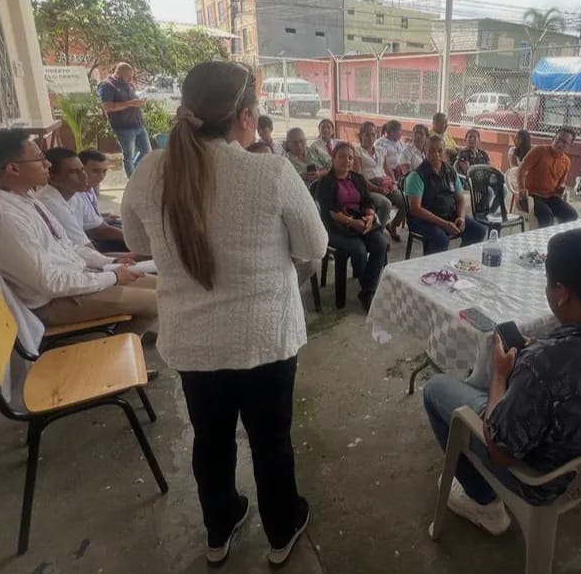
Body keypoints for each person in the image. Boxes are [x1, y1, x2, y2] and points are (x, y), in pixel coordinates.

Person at [121, 61, 327, 567]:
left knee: (210, 442)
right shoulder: (270, 172)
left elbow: (137, 241)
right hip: (265, 340)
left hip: (193, 345)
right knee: (271, 442)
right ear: (245, 117)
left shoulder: (149, 171)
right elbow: (314, 246)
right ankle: (281, 530)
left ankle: (219, 528)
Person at [422, 228, 581, 534]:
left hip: (541, 480)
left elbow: (500, 451)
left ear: (561, 292)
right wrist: (540, 355)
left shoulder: (542, 368)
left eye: (547, 281)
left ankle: (484, 503)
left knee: (435, 388)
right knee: (489, 385)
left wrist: (501, 376)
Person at [0, 129, 157, 331]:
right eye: (39, 159)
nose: (47, 164)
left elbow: (66, 245)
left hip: (75, 278)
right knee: (157, 301)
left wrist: (110, 263)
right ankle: (121, 346)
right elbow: (50, 282)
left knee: (162, 287)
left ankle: (130, 339)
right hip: (52, 302)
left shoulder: (24, 197)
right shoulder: (1, 218)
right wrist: (113, 277)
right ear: (14, 168)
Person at [314, 143, 390, 311]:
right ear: (333, 158)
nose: (347, 161)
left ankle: (367, 290)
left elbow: (366, 202)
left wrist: (370, 216)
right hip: (336, 226)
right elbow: (330, 212)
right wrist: (352, 222)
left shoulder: (358, 178)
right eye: (342, 157)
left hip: (360, 220)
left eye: (350, 157)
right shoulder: (326, 182)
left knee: (381, 244)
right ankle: (368, 288)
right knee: (359, 249)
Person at [404, 135, 487, 254]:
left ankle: (461, 259)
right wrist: (444, 224)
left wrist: (461, 218)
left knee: (478, 230)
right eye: (431, 150)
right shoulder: (416, 176)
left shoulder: (450, 171)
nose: (436, 154)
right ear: (424, 151)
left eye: (440, 150)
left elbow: (460, 199)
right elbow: (415, 209)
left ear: (444, 152)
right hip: (423, 220)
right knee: (440, 238)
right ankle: (434, 266)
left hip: (448, 215)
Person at [38, 148, 128, 253]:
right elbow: (89, 252)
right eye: (73, 172)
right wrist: (133, 256)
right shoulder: (51, 204)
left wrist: (137, 241)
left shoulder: (74, 195)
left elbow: (100, 229)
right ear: (52, 178)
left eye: (82, 170)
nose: (83, 176)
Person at [354, 121, 406, 242]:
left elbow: (387, 170)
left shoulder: (380, 150)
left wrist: (393, 183)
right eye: (367, 134)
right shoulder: (357, 151)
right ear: (361, 135)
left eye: (373, 134)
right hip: (368, 187)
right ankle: (377, 236)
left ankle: (393, 225)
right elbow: (359, 177)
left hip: (385, 185)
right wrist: (377, 189)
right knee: (385, 204)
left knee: (405, 200)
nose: (370, 137)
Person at [98, 62, 150, 177]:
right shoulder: (107, 85)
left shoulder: (128, 84)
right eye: (128, 77)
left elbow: (133, 97)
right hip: (124, 127)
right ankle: (132, 179)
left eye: (131, 77)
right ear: (118, 74)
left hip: (138, 123)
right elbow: (107, 106)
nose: (130, 80)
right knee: (129, 156)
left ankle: (136, 174)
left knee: (147, 151)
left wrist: (139, 101)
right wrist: (130, 103)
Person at [518, 128, 579, 227]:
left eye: (564, 142)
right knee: (546, 215)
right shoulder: (539, 151)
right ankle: (544, 236)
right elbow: (521, 169)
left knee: (572, 215)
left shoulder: (566, 161)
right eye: (558, 139)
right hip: (531, 196)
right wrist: (521, 189)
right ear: (553, 138)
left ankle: (561, 235)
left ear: (570, 145)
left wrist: (561, 190)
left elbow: (560, 184)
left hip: (550, 197)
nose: (559, 144)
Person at [79, 149, 120, 227]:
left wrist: (103, 218)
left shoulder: (91, 188)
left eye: (104, 171)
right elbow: (89, 228)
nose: (101, 177)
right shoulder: (76, 195)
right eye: (95, 171)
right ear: (81, 170)